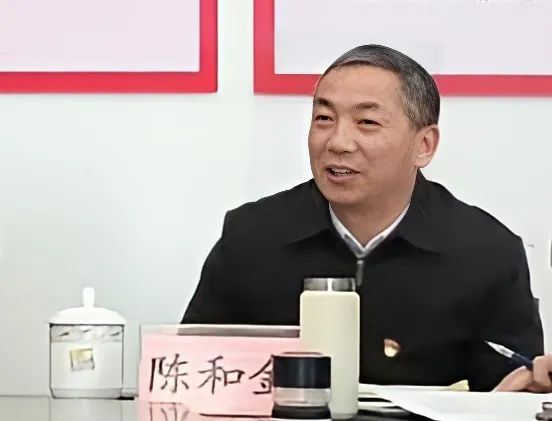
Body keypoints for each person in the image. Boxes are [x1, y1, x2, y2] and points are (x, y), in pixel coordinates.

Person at [182, 45, 544, 391]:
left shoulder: (487, 253)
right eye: (324, 119)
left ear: (424, 145)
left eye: (367, 122)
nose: (338, 142)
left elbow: (514, 389)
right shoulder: (251, 236)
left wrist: (528, 390)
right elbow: (190, 373)